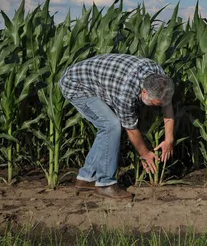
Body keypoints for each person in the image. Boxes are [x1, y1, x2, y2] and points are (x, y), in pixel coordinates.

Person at [59, 53, 176, 200]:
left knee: (107, 127)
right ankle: (105, 183)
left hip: (101, 78)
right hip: (76, 85)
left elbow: (167, 104)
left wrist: (169, 139)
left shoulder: (160, 78)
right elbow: (131, 129)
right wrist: (145, 154)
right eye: (154, 104)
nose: (155, 108)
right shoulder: (125, 93)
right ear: (144, 91)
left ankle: (86, 178)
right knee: (111, 125)